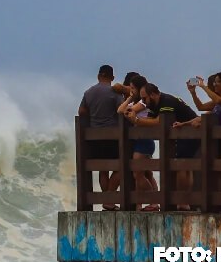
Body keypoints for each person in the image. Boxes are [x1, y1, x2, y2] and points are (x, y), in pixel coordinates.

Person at [129, 83, 199, 210]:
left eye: (145, 98)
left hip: (189, 133)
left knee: (182, 166)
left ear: (153, 95)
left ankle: (182, 202)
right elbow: (150, 121)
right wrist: (138, 122)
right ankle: (183, 202)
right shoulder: (154, 104)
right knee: (184, 167)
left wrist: (137, 121)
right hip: (181, 135)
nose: (143, 102)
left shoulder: (166, 101)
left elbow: (160, 122)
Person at [185, 72, 221, 213]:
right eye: (214, 82)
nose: (215, 84)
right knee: (219, 170)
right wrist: (193, 93)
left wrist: (203, 86)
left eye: (217, 82)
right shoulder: (218, 100)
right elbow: (201, 107)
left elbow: (219, 101)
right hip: (219, 139)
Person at [78, 64, 124, 210]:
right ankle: (109, 199)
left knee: (102, 170)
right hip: (113, 137)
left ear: (99, 76)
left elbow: (81, 112)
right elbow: (122, 110)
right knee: (121, 167)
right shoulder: (114, 92)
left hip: (95, 138)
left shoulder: (88, 92)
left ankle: (107, 201)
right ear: (112, 78)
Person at [118, 74, 159, 211]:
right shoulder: (137, 102)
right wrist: (130, 97)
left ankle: (153, 201)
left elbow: (124, 111)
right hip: (140, 141)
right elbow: (120, 110)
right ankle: (143, 203)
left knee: (138, 173)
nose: (132, 90)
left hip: (144, 141)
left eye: (133, 88)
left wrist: (129, 97)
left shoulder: (143, 102)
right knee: (146, 173)